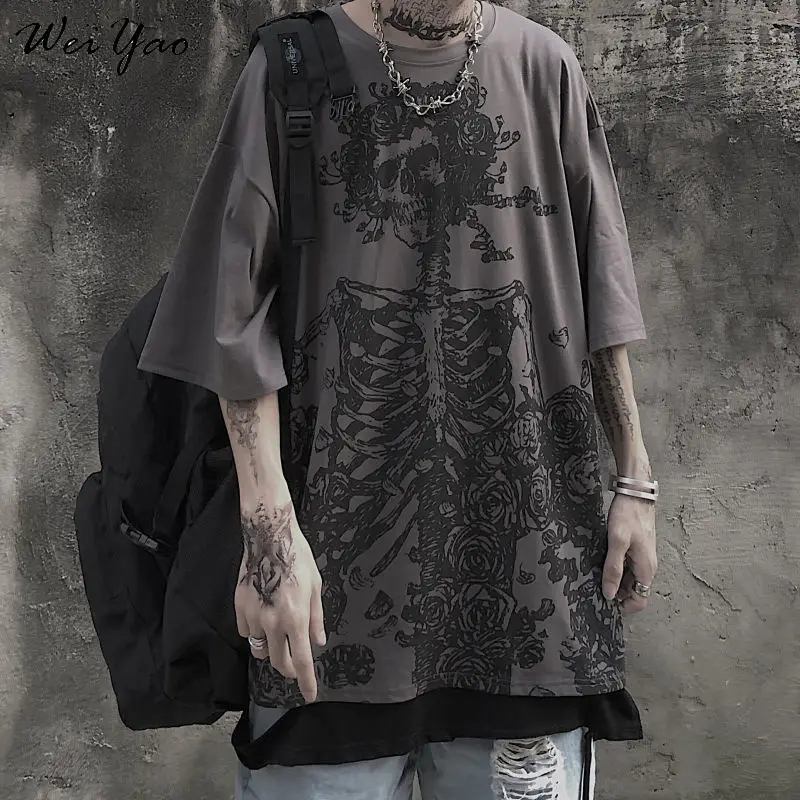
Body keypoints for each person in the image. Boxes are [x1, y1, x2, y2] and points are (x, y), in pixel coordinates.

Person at [137, 0, 658, 796]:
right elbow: (231, 321)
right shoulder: (292, 70)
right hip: (328, 603)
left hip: (530, 590)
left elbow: (603, 294)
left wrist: (635, 479)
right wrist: (270, 540)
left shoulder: (545, 67)